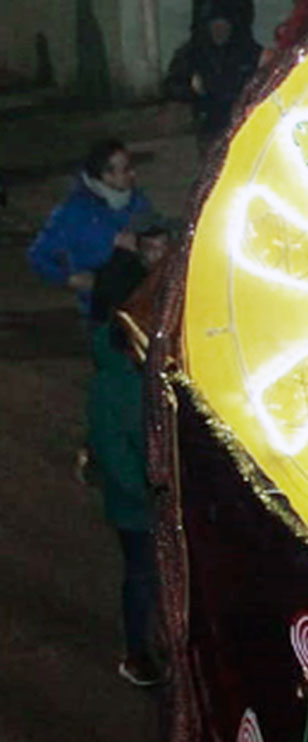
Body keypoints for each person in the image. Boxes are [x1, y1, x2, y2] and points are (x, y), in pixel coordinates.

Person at [85, 212, 175, 687]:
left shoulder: (131, 377)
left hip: (151, 500)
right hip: (137, 508)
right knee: (142, 576)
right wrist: (151, 494)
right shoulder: (113, 390)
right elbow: (116, 455)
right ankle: (138, 652)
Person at [28, 138, 154, 316]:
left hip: (142, 305)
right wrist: (69, 278)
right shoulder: (74, 212)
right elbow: (38, 255)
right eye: (125, 170)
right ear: (106, 175)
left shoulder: (139, 202)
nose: (133, 174)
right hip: (103, 312)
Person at [163, 3, 261, 149]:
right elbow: (171, 86)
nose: (219, 31)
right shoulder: (192, 53)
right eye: (215, 26)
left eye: (223, 26)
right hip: (208, 124)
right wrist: (193, 87)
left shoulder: (248, 52)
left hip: (243, 122)